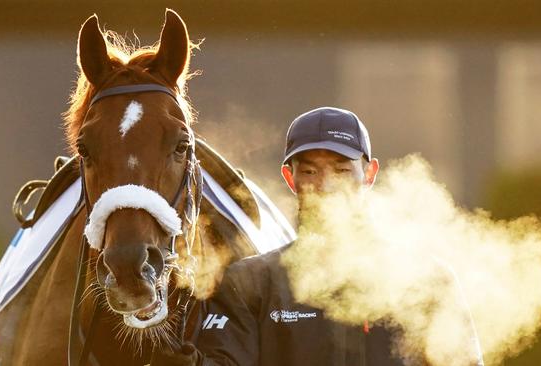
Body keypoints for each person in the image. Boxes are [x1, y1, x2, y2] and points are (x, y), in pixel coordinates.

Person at [153, 107, 483, 366]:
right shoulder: (249, 283)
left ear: (369, 173)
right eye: (309, 171)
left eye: (341, 170)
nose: (324, 186)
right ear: (289, 177)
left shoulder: (426, 280)